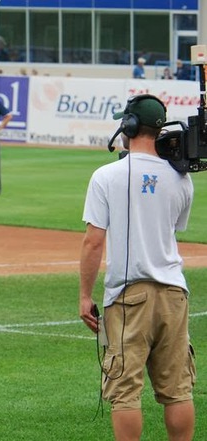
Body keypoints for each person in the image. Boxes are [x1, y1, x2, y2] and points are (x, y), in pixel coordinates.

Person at [79, 94, 195, 441]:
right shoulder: (182, 180)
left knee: (124, 391)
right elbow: (170, 229)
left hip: (130, 297)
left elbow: (93, 242)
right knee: (177, 389)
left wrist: (85, 295)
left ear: (128, 126)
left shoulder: (106, 176)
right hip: (174, 293)